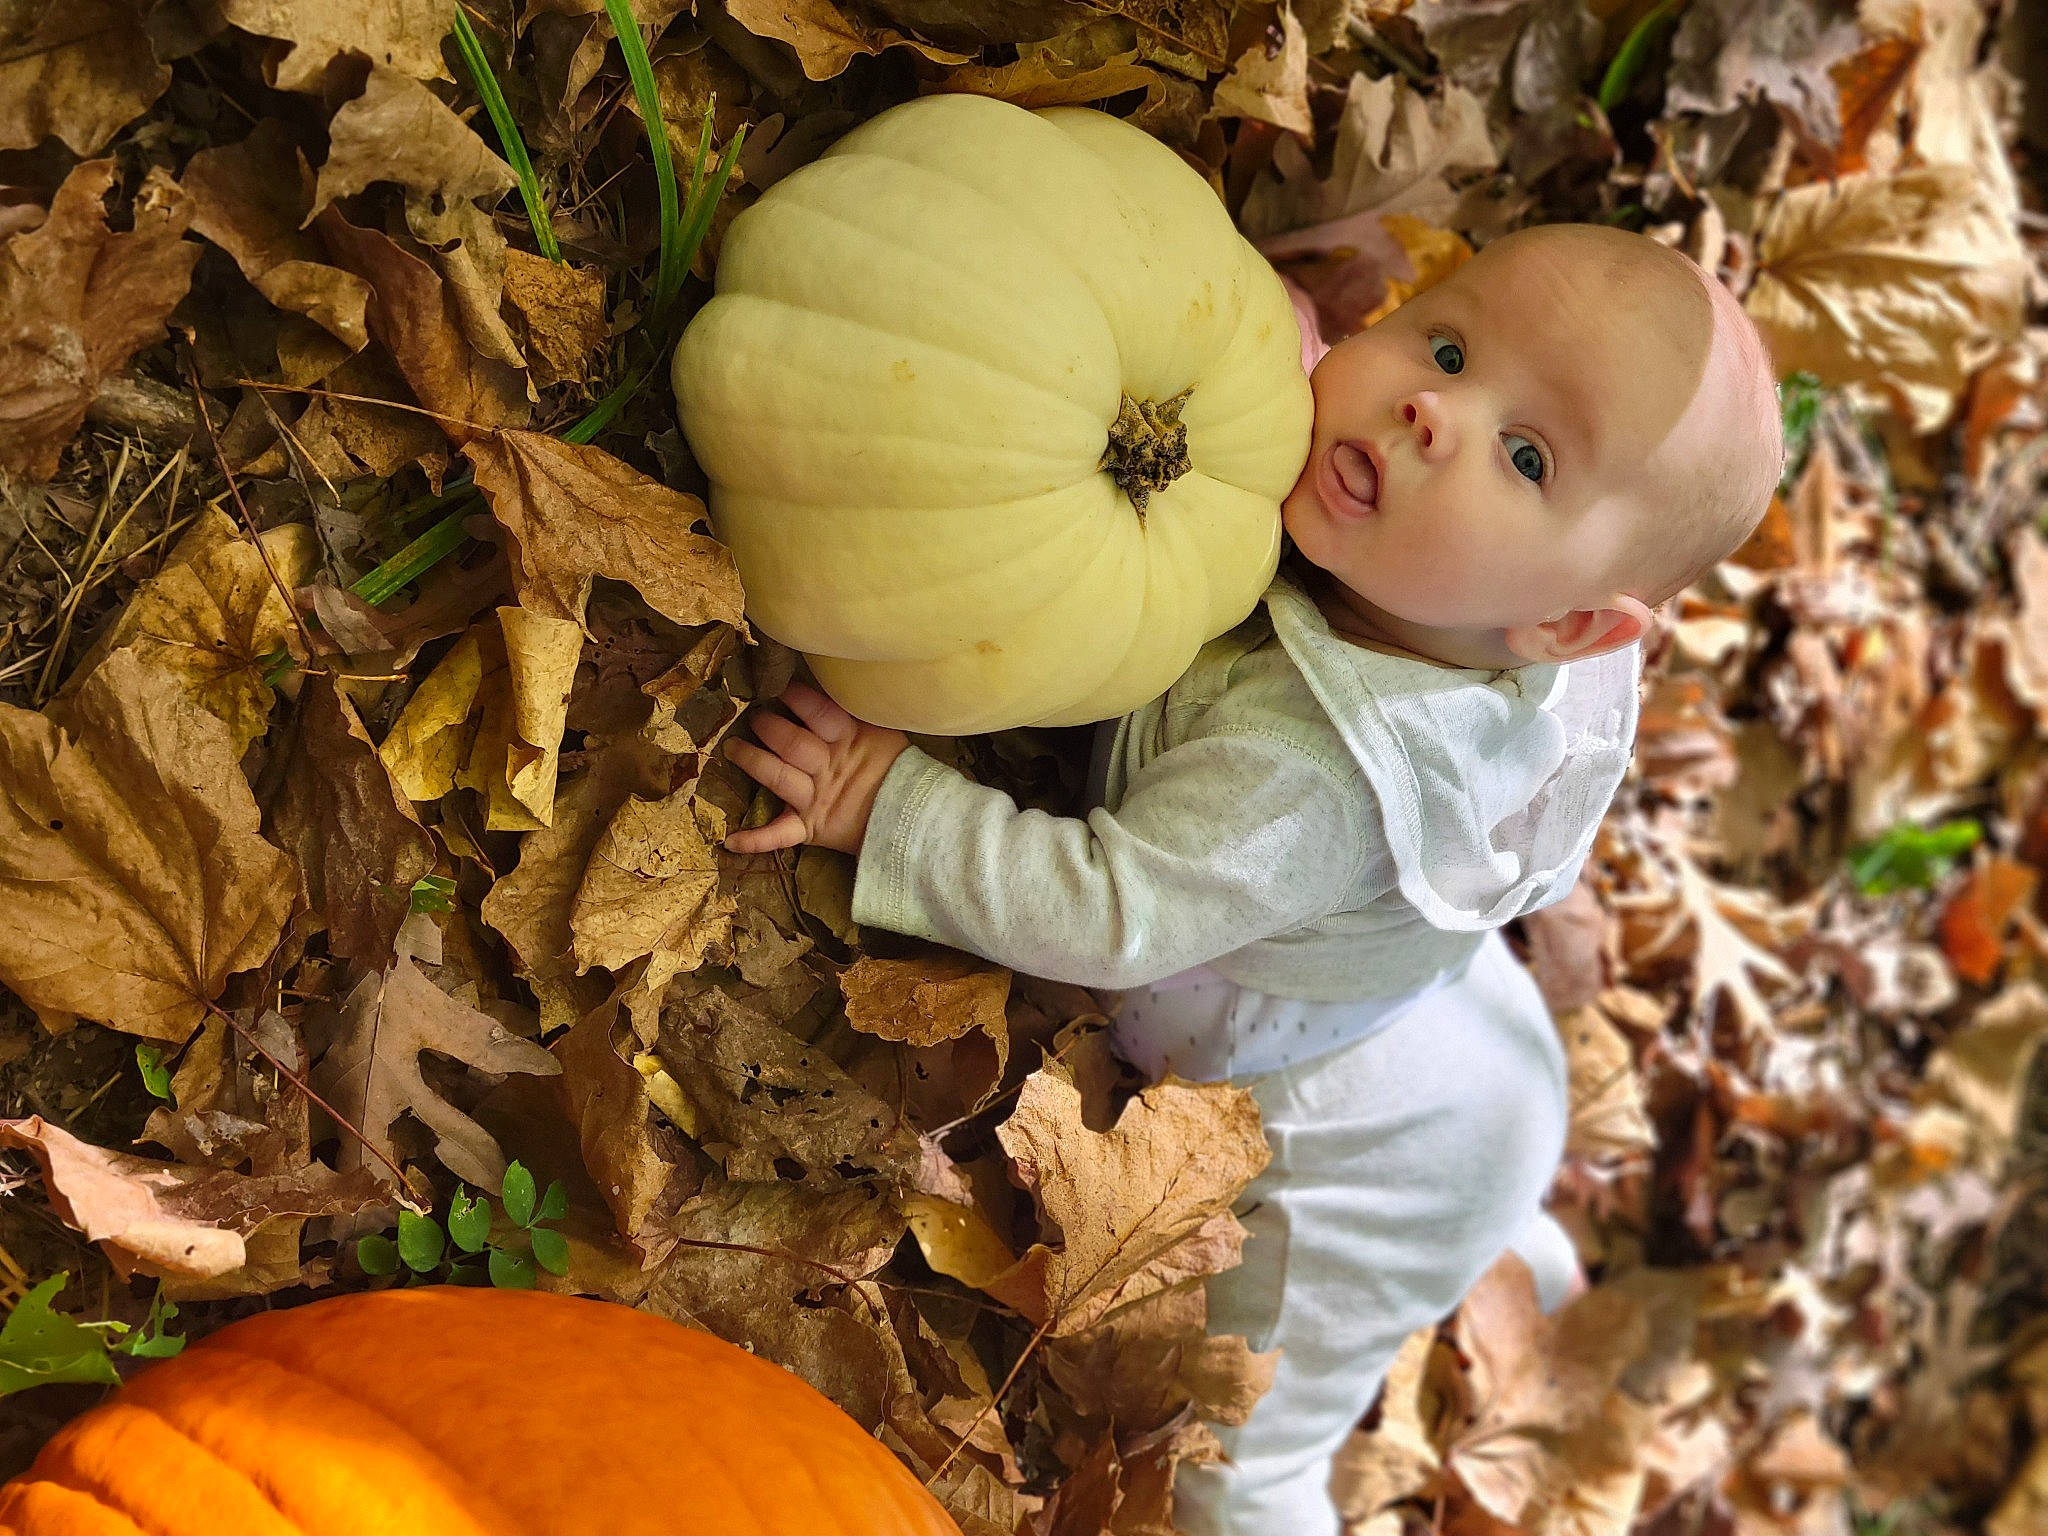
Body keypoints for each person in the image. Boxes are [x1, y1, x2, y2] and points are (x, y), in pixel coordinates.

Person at [717, 221, 1784, 1535]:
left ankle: (1418, 1324)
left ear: (1565, 631)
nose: (1432, 411)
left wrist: (893, 811)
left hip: (1363, 1145)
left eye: (1526, 455)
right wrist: (1247, 360)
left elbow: (1109, 911)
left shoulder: (1310, 776)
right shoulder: (1429, 564)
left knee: (1244, 1439)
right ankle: (1515, 1249)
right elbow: (1352, 397)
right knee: (1494, 1171)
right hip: (1467, 1038)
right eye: (1444, 343)